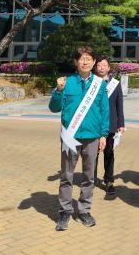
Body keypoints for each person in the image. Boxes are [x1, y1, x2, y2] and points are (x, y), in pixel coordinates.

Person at [49, 46, 109, 231]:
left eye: (88, 58)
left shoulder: (100, 84)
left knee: (89, 177)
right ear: (76, 62)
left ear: (93, 62)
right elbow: (54, 107)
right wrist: (59, 91)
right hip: (70, 137)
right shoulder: (66, 83)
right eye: (82, 58)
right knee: (66, 176)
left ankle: (84, 211)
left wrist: (104, 134)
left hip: (92, 136)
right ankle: (65, 211)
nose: (85, 61)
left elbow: (104, 110)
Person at [94, 55, 126, 199]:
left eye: (104, 65)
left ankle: (109, 180)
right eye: (99, 65)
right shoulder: (91, 83)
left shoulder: (115, 84)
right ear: (96, 67)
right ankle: (91, 179)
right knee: (92, 154)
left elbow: (119, 105)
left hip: (111, 125)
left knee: (109, 153)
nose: (101, 67)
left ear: (108, 68)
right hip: (94, 124)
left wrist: (121, 123)